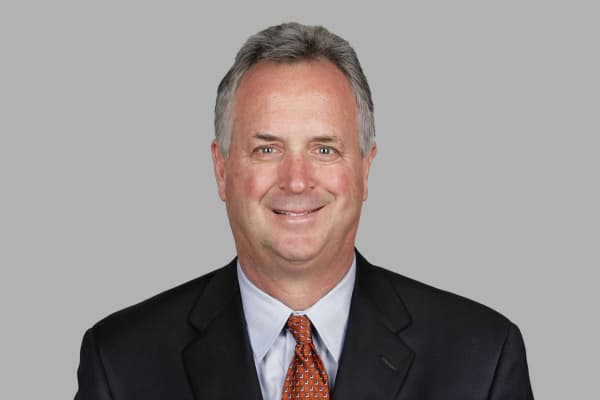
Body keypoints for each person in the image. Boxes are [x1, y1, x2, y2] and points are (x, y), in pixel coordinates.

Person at [75, 22, 533, 400]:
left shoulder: (481, 359)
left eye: (324, 149)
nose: (296, 180)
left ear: (365, 168)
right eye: (267, 148)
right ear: (221, 168)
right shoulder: (121, 363)